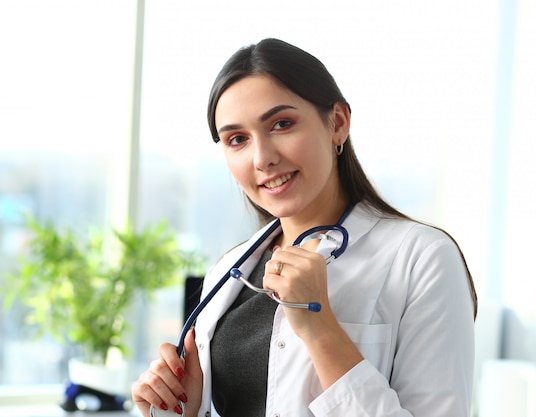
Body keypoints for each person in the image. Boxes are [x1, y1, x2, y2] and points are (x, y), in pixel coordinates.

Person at [132, 38, 477, 417]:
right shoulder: (228, 271)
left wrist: (319, 327)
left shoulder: (422, 258)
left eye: (282, 124)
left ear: (338, 123)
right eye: (237, 140)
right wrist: (184, 409)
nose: (262, 158)